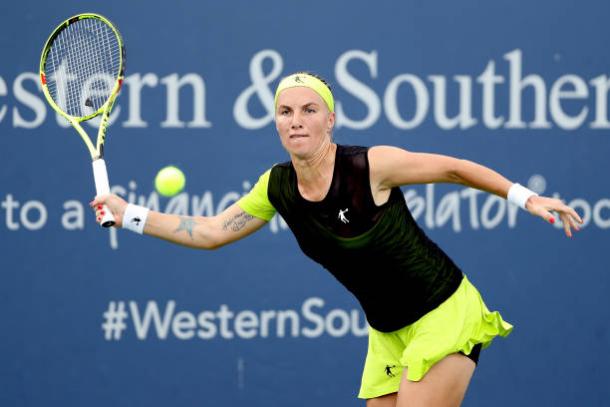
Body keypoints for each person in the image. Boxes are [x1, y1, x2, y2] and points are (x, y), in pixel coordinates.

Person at [90, 72, 583, 407]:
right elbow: (215, 231)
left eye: (309, 109)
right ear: (276, 122)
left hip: (442, 312)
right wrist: (130, 213)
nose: (296, 119)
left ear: (331, 120)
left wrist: (524, 197)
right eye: (285, 111)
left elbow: (453, 168)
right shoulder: (276, 185)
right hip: (387, 333)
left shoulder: (370, 166)